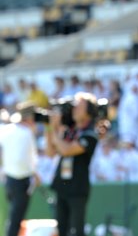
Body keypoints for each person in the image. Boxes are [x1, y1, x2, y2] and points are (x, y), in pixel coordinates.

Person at [45, 92, 99, 236]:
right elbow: (50, 152)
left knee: (77, 231)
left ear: (88, 112)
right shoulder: (69, 130)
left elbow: (66, 150)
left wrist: (55, 128)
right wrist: (50, 128)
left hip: (77, 189)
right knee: (61, 229)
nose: (74, 109)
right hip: (62, 186)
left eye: (79, 107)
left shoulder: (90, 134)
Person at [0, 102, 40, 236]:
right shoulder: (26, 133)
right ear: (29, 118)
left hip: (9, 181)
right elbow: (30, 160)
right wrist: (35, 175)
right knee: (15, 220)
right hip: (21, 182)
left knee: (13, 218)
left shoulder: (5, 130)